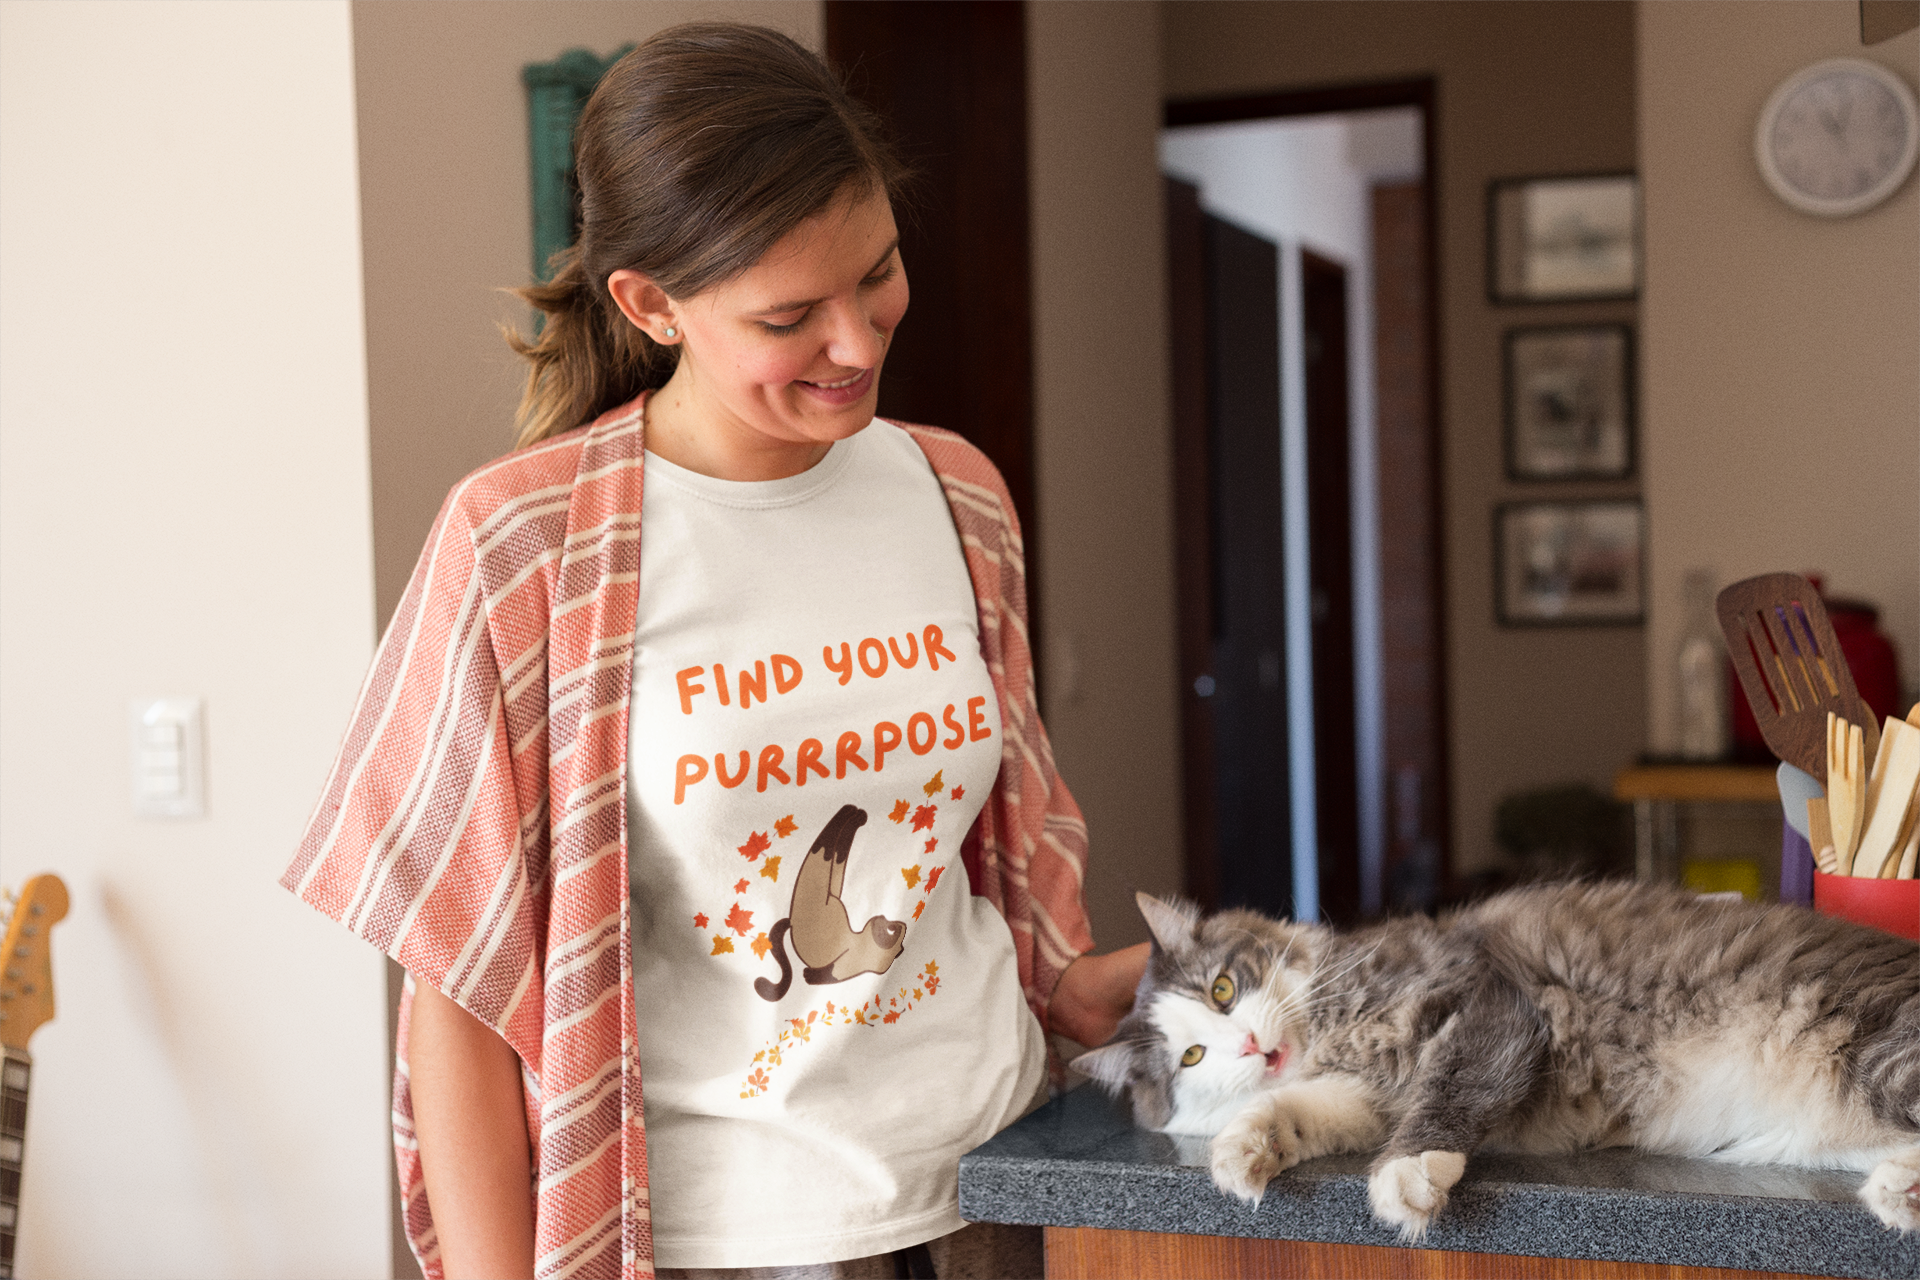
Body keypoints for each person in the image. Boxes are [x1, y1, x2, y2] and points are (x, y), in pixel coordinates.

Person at [283, 22, 1147, 1280]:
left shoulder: (955, 492)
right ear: (651, 303)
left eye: (879, 273)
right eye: (791, 316)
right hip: (730, 1237)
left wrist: (1101, 981)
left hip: (1002, 1195)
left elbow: (996, 857)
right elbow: (457, 993)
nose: (859, 343)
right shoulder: (524, 549)